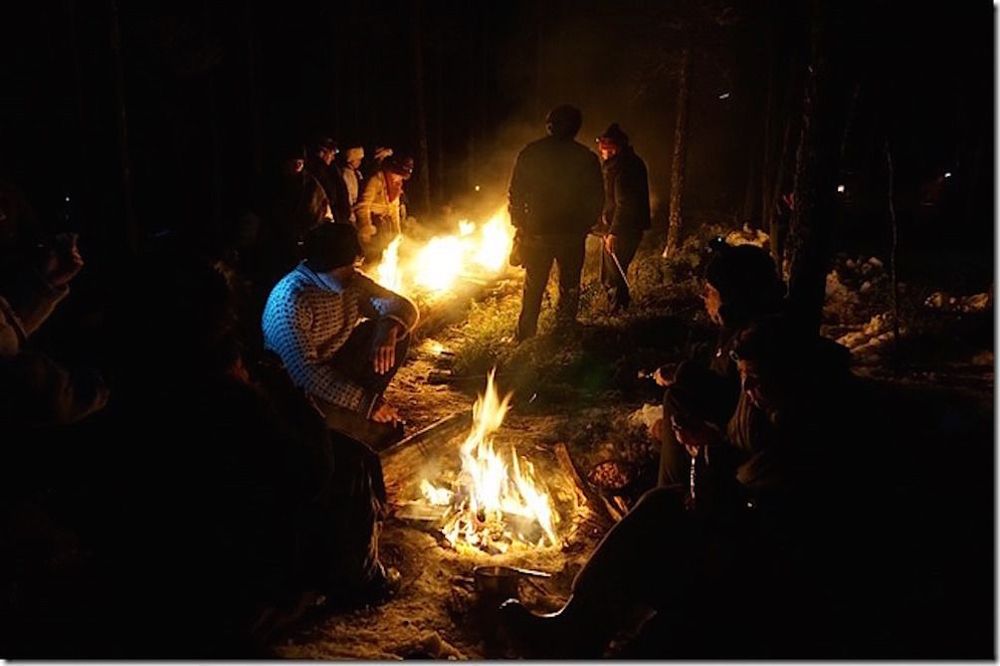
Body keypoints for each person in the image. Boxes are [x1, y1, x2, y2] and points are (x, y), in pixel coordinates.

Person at [499, 317, 865, 658]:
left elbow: (753, 516)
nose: (748, 389)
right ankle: (577, 624)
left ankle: (597, 636)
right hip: (744, 539)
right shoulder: (777, 412)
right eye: (744, 379)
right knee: (659, 505)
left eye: (755, 379)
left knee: (668, 541)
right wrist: (708, 447)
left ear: (792, 376)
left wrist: (708, 456)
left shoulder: (818, 435)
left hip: (778, 578)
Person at [654, 238, 785, 488]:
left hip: (737, 470)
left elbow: (731, 400)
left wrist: (682, 375)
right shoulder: (737, 328)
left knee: (675, 398)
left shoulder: (755, 345)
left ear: (731, 298)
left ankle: (671, 493)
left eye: (711, 291)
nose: (705, 297)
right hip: (729, 441)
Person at [261, 222, 417, 430]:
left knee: (396, 330)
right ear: (330, 265)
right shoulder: (291, 300)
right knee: (370, 430)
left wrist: (387, 331)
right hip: (295, 387)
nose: (356, 272)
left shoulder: (350, 284)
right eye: (351, 266)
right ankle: (348, 419)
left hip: (334, 364)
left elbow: (400, 305)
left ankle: (364, 410)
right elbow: (303, 372)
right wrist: (364, 403)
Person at [507, 104, 604, 341]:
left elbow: (516, 193)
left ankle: (525, 335)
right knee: (570, 284)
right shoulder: (586, 157)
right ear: (576, 128)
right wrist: (586, 224)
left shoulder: (531, 152)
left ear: (551, 125)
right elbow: (597, 197)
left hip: (537, 234)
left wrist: (521, 223)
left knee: (534, 285)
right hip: (571, 235)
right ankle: (564, 332)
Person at [0, 232, 108, 426]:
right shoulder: (9, 356)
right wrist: (48, 282)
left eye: (63, 385)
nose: (55, 367)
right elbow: (8, 333)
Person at [595, 123, 650, 312]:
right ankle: (621, 310)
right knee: (610, 275)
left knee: (614, 276)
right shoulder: (621, 163)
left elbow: (625, 204)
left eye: (603, 146)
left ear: (612, 147)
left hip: (624, 230)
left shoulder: (624, 167)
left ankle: (618, 314)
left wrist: (614, 233)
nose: (600, 150)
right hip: (615, 228)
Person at [354, 155, 410, 261]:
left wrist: (397, 232)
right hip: (374, 223)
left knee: (385, 253)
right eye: (398, 174)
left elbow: (394, 209)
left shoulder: (396, 185)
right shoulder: (376, 181)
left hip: (384, 226)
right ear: (391, 170)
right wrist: (366, 227)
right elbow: (363, 205)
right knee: (372, 255)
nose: (400, 178)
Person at [306, 136, 352, 226]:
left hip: (335, 219)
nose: (333, 158)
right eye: (331, 153)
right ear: (322, 152)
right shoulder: (318, 173)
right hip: (327, 221)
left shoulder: (331, 170)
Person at [340, 145, 365, 225]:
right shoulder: (345, 174)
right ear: (351, 160)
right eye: (358, 160)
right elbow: (347, 195)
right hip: (351, 214)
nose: (360, 162)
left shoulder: (357, 173)